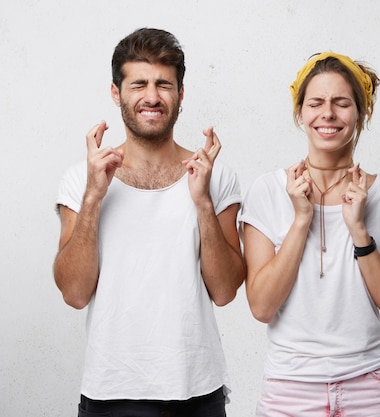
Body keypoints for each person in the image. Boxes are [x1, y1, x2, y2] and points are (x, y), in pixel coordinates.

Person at [53, 28, 245, 417]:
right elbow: (74, 293)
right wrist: (93, 195)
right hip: (113, 391)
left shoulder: (214, 176)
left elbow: (225, 291)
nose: (152, 97)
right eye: (139, 84)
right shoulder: (80, 180)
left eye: (164, 84)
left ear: (181, 94)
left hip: (198, 390)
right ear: (116, 92)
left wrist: (203, 202)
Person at [239, 52, 380, 416]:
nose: (328, 114)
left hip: (369, 387)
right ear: (300, 113)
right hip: (288, 389)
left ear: (361, 114)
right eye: (316, 103)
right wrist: (300, 220)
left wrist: (359, 230)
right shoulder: (268, 191)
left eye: (342, 103)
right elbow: (261, 307)